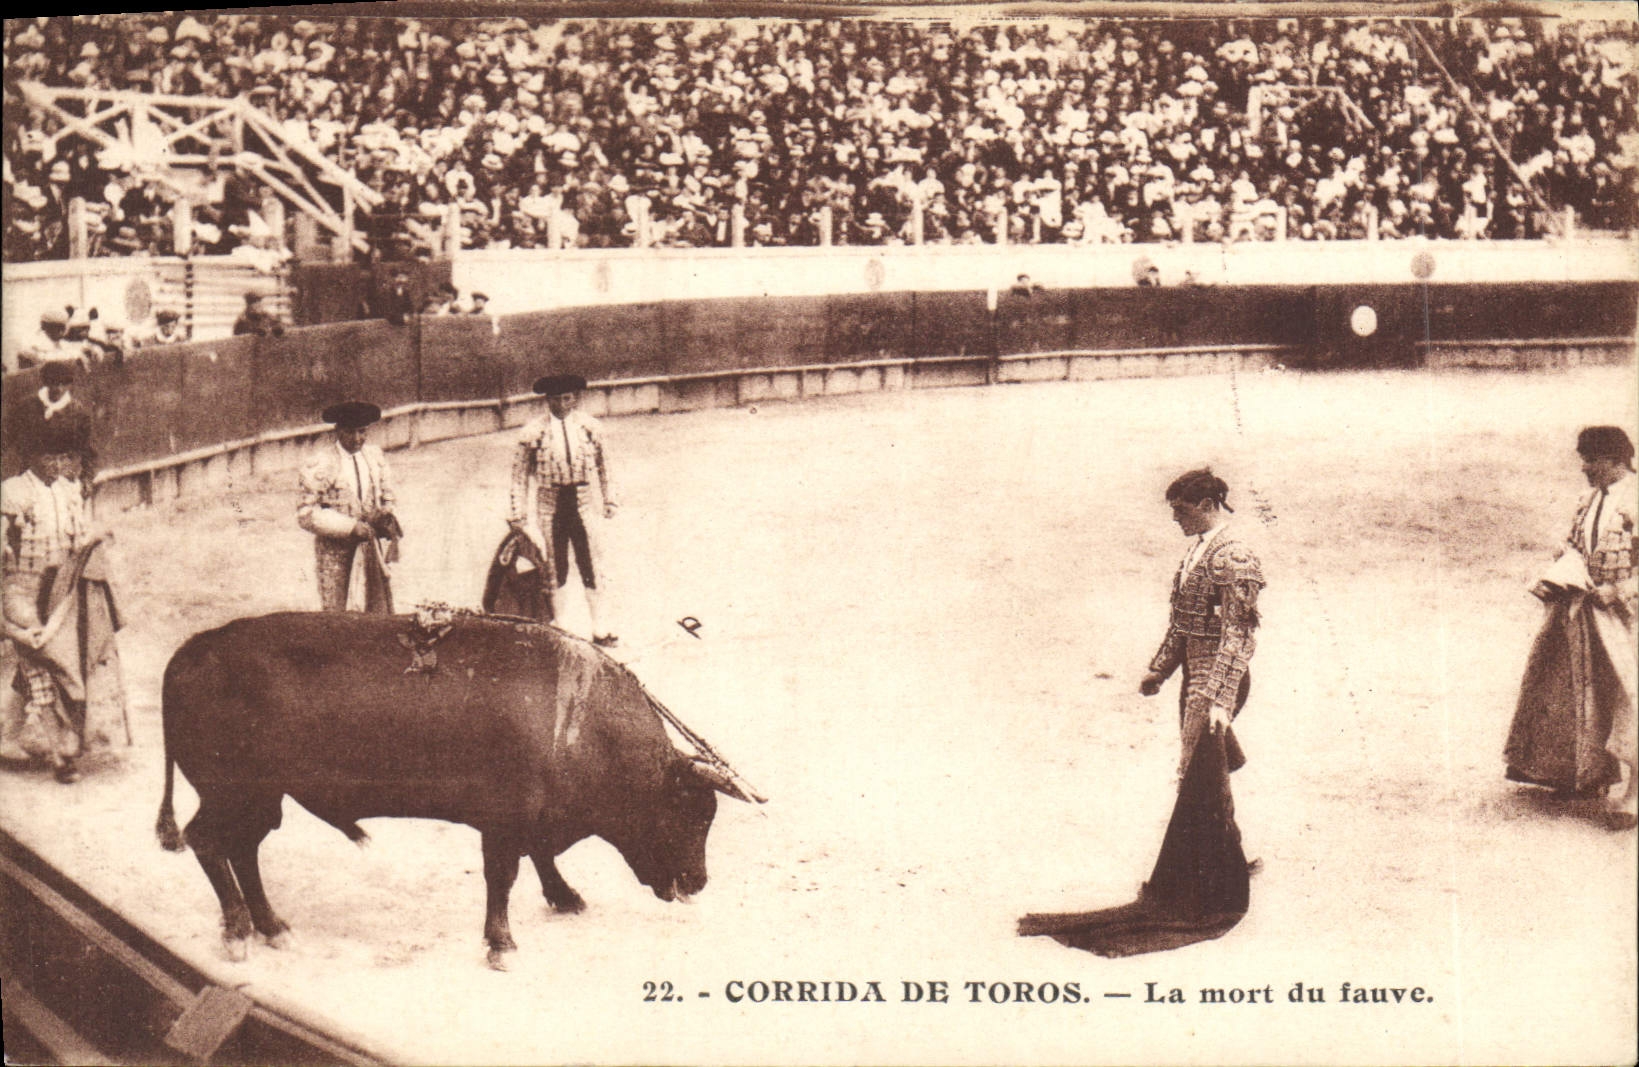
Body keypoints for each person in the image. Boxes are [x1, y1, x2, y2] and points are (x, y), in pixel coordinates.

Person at [1020, 468, 1264, 956]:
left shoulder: (1234, 556)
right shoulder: (1199, 550)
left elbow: (1239, 636)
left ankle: (1219, 877)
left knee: (1200, 770)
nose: (1174, 516)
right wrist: (1160, 670)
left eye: (1181, 508)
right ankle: (1229, 860)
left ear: (1207, 504)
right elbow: (1185, 623)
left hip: (1215, 675)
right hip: (1196, 674)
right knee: (1204, 772)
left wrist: (1216, 699)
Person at [1505, 425, 1637, 831]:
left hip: (1626, 617)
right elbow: (1575, 546)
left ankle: (1635, 794)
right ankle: (1587, 775)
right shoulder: (1589, 499)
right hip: (1585, 609)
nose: (1583, 468)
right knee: (1580, 688)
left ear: (1615, 460)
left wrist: (1618, 590)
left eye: (1590, 459)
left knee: (1630, 698)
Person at [1, 422, 93, 782]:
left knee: (51, 659)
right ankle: (59, 756)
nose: (55, 463)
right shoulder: (12, 492)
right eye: (47, 456)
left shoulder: (69, 491)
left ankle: (8, 734)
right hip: (20, 588)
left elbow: (81, 537)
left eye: (60, 456)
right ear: (30, 457)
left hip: (59, 590)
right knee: (45, 655)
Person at [508, 374, 619, 647]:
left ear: (576, 399)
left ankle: (600, 628)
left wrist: (610, 498)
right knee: (556, 566)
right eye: (555, 399)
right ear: (547, 401)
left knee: (591, 562)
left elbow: (606, 466)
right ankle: (563, 628)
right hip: (550, 503)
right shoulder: (533, 433)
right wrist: (517, 512)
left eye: (567, 398)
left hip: (582, 500)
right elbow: (519, 476)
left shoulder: (590, 428)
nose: (561, 404)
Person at [296, 402, 401, 613]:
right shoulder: (321, 463)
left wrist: (385, 517)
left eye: (361, 432)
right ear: (337, 431)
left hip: (371, 552)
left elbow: (388, 497)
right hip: (336, 553)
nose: (356, 439)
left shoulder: (374, 457)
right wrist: (351, 527)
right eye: (349, 432)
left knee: (374, 612)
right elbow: (306, 514)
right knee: (337, 615)